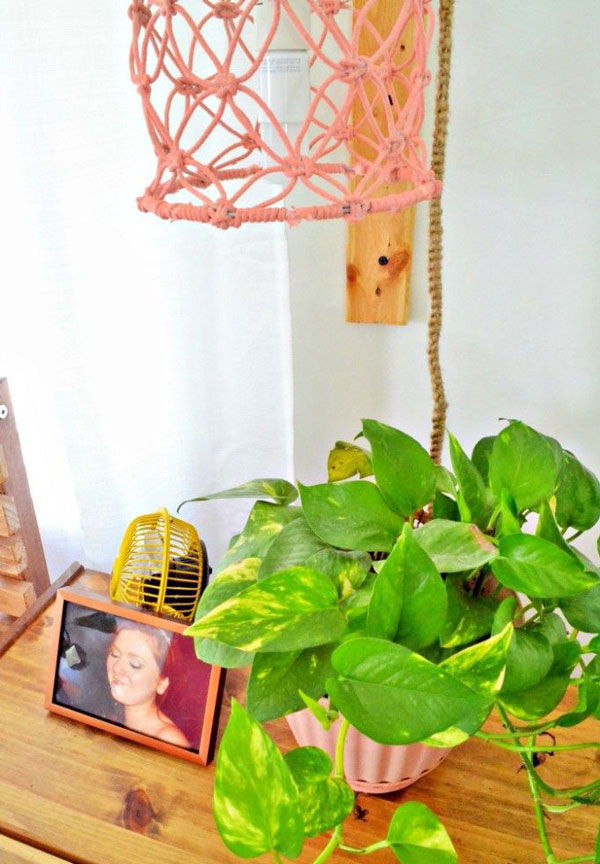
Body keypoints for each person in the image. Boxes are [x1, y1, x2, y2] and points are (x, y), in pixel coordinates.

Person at [106, 621, 190, 747]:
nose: (117, 667)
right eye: (114, 654)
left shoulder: (169, 739)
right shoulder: (114, 716)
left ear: (161, 683)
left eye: (135, 664)